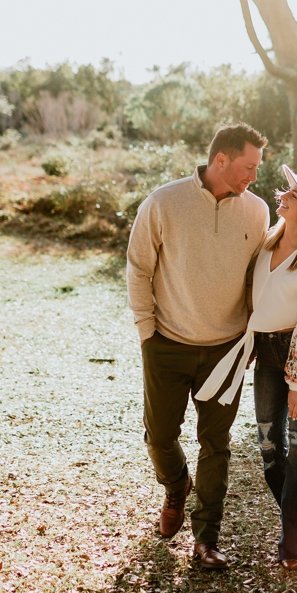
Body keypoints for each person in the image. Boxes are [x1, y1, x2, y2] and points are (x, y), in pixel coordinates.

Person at [125, 123, 270, 570]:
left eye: (257, 169)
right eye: (249, 166)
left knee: (217, 444)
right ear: (220, 160)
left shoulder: (258, 211)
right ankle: (175, 488)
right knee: (161, 438)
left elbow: (261, 277)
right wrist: (147, 331)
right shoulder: (163, 202)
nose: (253, 177)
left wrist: (254, 337)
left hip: (227, 351)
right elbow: (138, 267)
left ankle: (206, 540)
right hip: (166, 344)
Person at [199, 164, 297, 569]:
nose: (282, 196)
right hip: (267, 353)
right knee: (268, 447)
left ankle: (294, 546)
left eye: (291, 196)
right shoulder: (264, 244)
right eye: (286, 191)